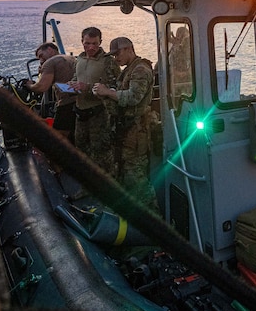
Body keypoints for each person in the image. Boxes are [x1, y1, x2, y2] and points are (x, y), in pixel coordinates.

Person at [92, 37, 156, 208]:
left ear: (129, 49)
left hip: (135, 131)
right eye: (113, 55)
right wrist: (106, 93)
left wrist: (107, 92)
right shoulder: (129, 69)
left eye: (118, 53)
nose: (116, 58)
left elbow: (134, 97)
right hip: (125, 130)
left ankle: (155, 220)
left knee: (136, 177)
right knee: (123, 171)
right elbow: (122, 94)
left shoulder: (141, 69)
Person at [67, 27, 117, 166]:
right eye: (87, 43)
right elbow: (77, 77)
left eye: (95, 43)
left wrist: (87, 87)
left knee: (101, 152)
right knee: (81, 148)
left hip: (99, 113)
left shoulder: (108, 61)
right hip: (80, 112)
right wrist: (72, 85)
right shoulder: (80, 59)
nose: (91, 47)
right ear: (82, 41)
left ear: (100, 42)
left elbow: (114, 87)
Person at [21, 42, 78, 136]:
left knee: (59, 134)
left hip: (66, 103)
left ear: (50, 50)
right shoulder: (70, 58)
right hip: (79, 100)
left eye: (41, 55)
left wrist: (29, 86)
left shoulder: (50, 62)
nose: (40, 60)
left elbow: (42, 87)